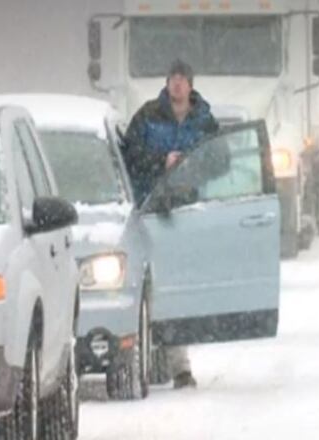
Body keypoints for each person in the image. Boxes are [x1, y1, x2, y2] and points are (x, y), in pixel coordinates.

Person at [122, 59, 219, 389]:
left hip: (189, 212)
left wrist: (192, 166)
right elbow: (129, 155)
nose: (177, 84)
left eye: (182, 79)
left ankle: (178, 362)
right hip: (152, 213)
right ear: (166, 83)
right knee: (157, 285)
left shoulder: (204, 120)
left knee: (181, 285)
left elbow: (222, 160)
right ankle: (164, 362)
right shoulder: (147, 116)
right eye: (172, 79)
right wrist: (160, 162)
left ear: (191, 84)